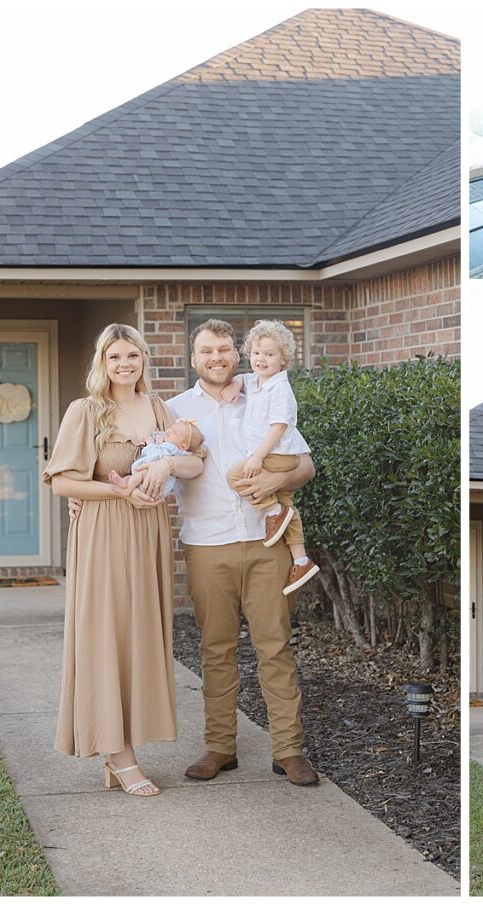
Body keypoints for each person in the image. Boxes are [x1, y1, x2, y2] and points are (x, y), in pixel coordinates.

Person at [43, 324, 205, 796]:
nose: (124, 364)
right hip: (103, 534)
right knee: (105, 633)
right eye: (114, 356)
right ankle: (117, 753)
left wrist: (166, 464)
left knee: (138, 636)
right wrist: (119, 492)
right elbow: (62, 481)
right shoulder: (86, 410)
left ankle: (123, 746)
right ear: (103, 361)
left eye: (131, 355)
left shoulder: (159, 408)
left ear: (143, 359)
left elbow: (197, 462)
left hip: (149, 534)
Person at [168, 319, 320, 787]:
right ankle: (220, 747)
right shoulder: (174, 410)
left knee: (275, 647)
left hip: (266, 542)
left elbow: (306, 464)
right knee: (215, 649)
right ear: (193, 359)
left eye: (224, 349)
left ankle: (289, 750)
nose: (217, 357)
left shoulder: (266, 391)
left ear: (238, 354)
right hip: (207, 545)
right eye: (207, 350)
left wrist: (280, 479)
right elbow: (150, 461)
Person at [225, 319, 320, 595]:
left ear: (284, 359)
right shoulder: (256, 380)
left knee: (235, 475)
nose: (261, 359)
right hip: (276, 455)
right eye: (256, 353)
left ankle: (273, 511)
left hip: (278, 454)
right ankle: (301, 560)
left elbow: (278, 428)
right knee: (287, 501)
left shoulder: (280, 389)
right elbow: (244, 378)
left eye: (269, 354)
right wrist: (236, 382)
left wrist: (257, 458)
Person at [108, 417, 204, 500]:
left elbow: (154, 456)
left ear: (183, 446)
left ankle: (127, 490)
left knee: (141, 474)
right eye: (171, 428)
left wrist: (151, 444)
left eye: (175, 433)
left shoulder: (171, 449)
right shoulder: (173, 448)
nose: (169, 431)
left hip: (154, 484)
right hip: (150, 481)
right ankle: (124, 483)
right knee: (133, 477)